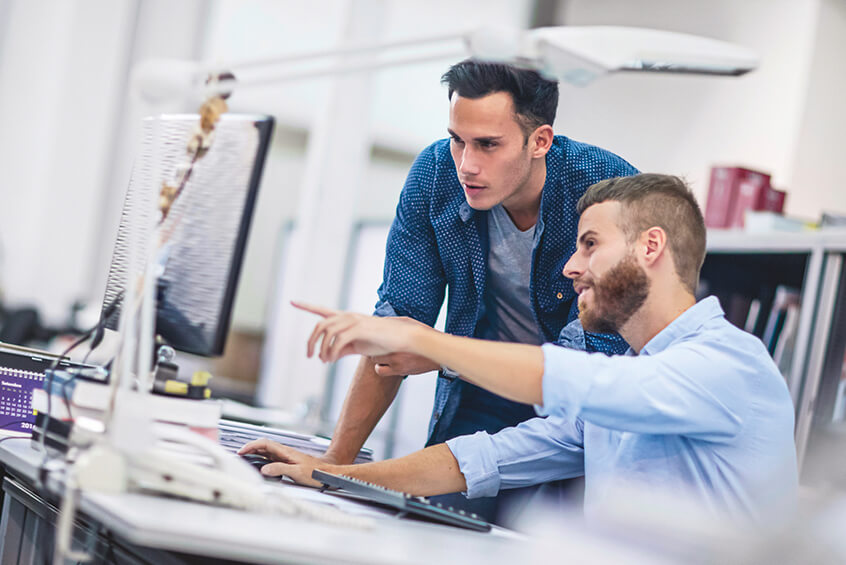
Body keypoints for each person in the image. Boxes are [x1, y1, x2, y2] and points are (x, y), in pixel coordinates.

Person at [241, 173, 798, 524]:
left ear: (651, 246)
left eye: (590, 245)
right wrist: (333, 475)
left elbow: (570, 378)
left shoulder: (726, 365)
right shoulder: (635, 377)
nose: (570, 267)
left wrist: (418, 338)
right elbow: (489, 458)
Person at [317, 58, 638, 519]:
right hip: (479, 395)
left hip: (578, 419)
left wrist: (441, 353)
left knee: (547, 539)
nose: (467, 164)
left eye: (488, 145)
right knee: (428, 525)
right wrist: (334, 464)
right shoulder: (435, 175)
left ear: (540, 141)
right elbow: (397, 326)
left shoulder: (606, 191)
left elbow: (589, 372)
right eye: (457, 140)